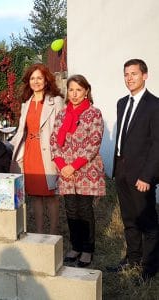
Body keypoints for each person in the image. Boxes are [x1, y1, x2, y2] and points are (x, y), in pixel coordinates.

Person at [108, 59, 159, 282]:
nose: (129, 78)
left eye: (134, 74)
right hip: (122, 171)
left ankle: (149, 268)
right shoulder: (121, 103)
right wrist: (116, 169)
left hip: (142, 176)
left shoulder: (155, 105)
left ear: (145, 76)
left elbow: (157, 144)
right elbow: (124, 137)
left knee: (147, 223)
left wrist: (147, 176)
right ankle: (133, 258)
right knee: (129, 219)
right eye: (126, 74)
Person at [50, 74, 106, 267]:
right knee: (71, 210)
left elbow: (93, 143)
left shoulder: (94, 114)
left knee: (84, 210)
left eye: (78, 90)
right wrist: (62, 165)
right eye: (71, 90)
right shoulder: (62, 114)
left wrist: (73, 166)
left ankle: (88, 249)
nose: (74, 94)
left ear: (86, 92)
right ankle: (75, 246)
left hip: (85, 171)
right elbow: (54, 141)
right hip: (65, 171)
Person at [10, 63, 64, 235]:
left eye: (39, 78)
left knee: (51, 196)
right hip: (30, 152)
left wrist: (60, 157)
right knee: (36, 196)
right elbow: (21, 131)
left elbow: (61, 130)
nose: (36, 81)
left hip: (48, 153)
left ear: (46, 80)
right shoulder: (26, 103)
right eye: (33, 78)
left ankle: (53, 234)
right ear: (28, 82)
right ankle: (40, 233)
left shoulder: (55, 101)